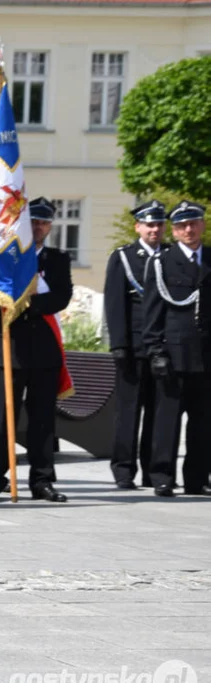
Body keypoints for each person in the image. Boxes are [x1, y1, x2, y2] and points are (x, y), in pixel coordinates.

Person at [0, 197, 72, 503]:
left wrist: (24, 304)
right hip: (6, 350)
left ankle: (42, 480)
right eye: (33, 221)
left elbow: (61, 297)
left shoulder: (58, 259)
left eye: (44, 222)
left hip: (43, 352)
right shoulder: (3, 259)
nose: (38, 227)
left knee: (43, 421)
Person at [143, 200, 211, 498]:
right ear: (174, 229)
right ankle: (162, 476)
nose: (188, 229)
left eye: (193, 223)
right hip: (174, 353)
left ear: (203, 225)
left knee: (203, 423)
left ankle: (197, 478)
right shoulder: (162, 262)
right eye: (182, 225)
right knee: (166, 421)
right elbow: (152, 313)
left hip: (206, 356)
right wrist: (156, 351)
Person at [103, 200, 166, 490]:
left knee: (158, 412)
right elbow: (115, 304)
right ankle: (123, 470)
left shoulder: (170, 256)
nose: (155, 229)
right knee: (128, 413)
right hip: (133, 346)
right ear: (137, 226)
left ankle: (154, 471)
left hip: (164, 348)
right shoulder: (125, 257)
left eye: (159, 224)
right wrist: (119, 345)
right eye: (149, 224)